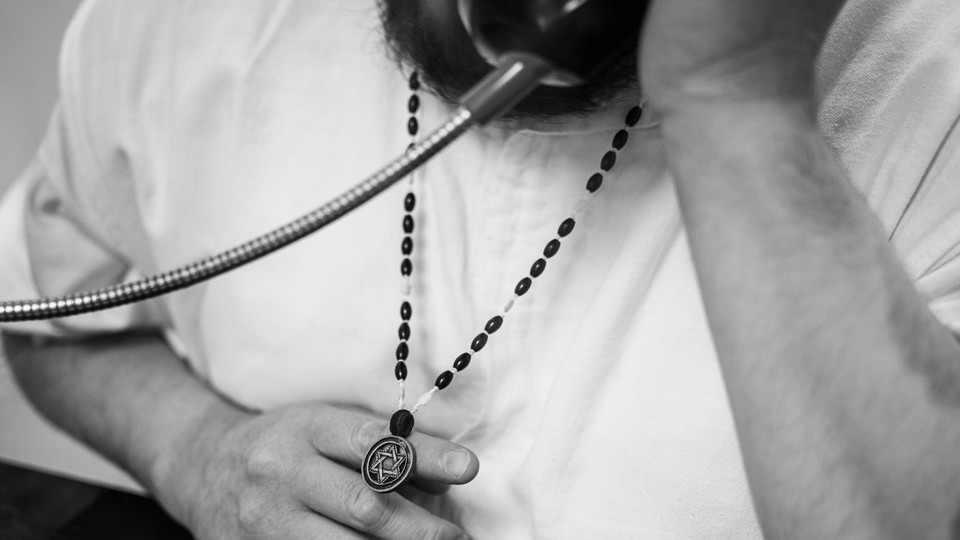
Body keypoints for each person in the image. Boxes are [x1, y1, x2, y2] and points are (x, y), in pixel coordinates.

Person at [2, 0, 960, 537]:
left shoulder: (935, 78)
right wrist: (194, 453)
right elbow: (44, 315)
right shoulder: (178, 25)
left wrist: (738, 101)